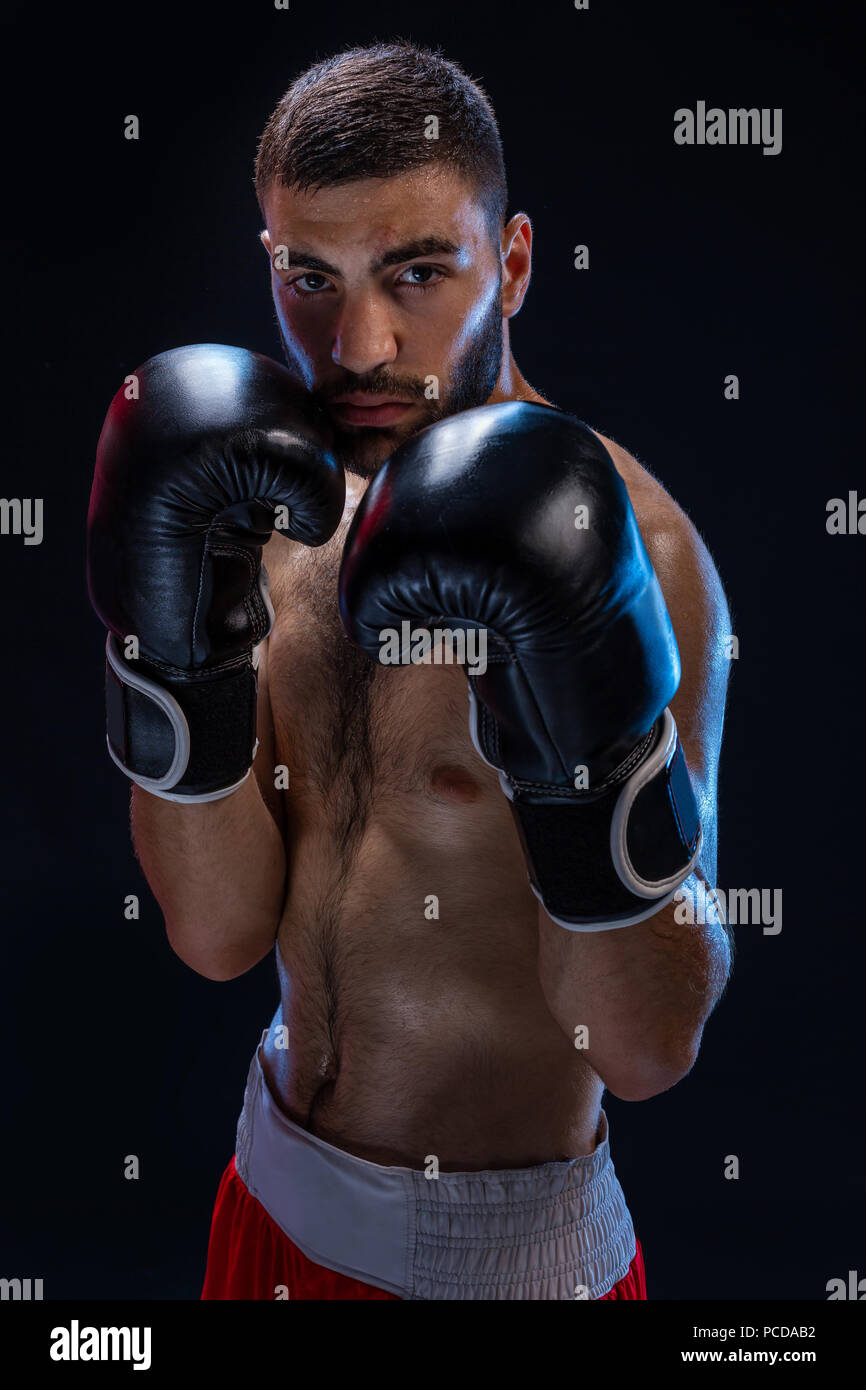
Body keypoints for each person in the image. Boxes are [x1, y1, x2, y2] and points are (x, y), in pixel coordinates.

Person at [87, 42, 732, 1300]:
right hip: (266, 1197)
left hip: (497, 1266)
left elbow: (647, 1046)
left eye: (417, 273)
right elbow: (216, 933)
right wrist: (169, 655)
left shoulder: (635, 551)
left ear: (515, 263)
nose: (358, 345)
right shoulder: (265, 509)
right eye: (309, 279)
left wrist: (590, 765)